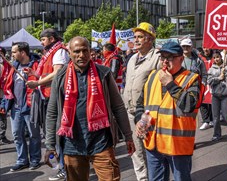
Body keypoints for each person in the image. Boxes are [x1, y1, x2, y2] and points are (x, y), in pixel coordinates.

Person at [44, 36, 135, 181]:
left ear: (90, 51)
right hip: (71, 144)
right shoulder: (60, 77)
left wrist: (128, 136)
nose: (81, 55)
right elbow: (52, 112)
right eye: (77, 51)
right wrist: (50, 145)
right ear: (69, 53)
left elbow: (118, 106)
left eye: (85, 51)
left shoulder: (103, 73)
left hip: (101, 142)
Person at [134, 41, 203, 181]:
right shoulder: (153, 76)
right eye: (162, 57)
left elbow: (189, 105)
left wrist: (171, 84)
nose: (165, 61)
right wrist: (139, 120)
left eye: (170, 57)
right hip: (153, 143)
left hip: (177, 146)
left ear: (181, 59)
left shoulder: (192, 78)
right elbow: (140, 103)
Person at [26, 28, 69, 180]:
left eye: (43, 39)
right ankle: (63, 166)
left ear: (51, 39)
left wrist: (37, 82)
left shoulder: (60, 52)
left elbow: (57, 72)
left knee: (58, 134)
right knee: (51, 133)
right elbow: (46, 72)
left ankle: (64, 168)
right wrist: (33, 73)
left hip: (55, 97)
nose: (41, 42)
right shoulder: (49, 53)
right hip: (47, 97)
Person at [123, 22, 160, 181]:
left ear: (150, 39)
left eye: (140, 37)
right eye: (135, 37)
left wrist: (146, 117)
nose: (136, 40)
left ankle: (154, 178)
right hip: (130, 112)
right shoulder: (131, 58)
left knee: (150, 149)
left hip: (147, 113)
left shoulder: (157, 57)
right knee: (135, 151)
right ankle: (142, 179)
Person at [3, 42, 41, 171]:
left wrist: (36, 79)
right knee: (17, 135)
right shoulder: (13, 66)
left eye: (14, 52)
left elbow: (42, 81)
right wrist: (5, 102)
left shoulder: (36, 65)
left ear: (22, 52)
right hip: (16, 107)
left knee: (33, 135)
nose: (11, 55)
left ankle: (35, 159)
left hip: (31, 106)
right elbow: (8, 85)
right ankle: (22, 160)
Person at [207, 51, 227, 142]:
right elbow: (209, 81)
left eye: (217, 57)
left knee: (226, 116)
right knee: (215, 117)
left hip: (225, 95)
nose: (216, 59)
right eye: (214, 57)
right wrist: (219, 78)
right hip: (215, 96)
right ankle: (217, 134)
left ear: (221, 57)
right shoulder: (211, 69)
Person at [198, 48, 214, 130]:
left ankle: (211, 119)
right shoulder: (199, 58)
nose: (206, 50)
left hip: (212, 82)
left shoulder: (214, 57)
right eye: (204, 48)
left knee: (211, 101)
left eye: (207, 48)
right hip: (203, 82)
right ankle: (205, 121)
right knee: (202, 101)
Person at [0, 47, 12, 145]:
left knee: (3, 116)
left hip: (3, 95)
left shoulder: (8, 65)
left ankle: (2, 136)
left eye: (1, 53)